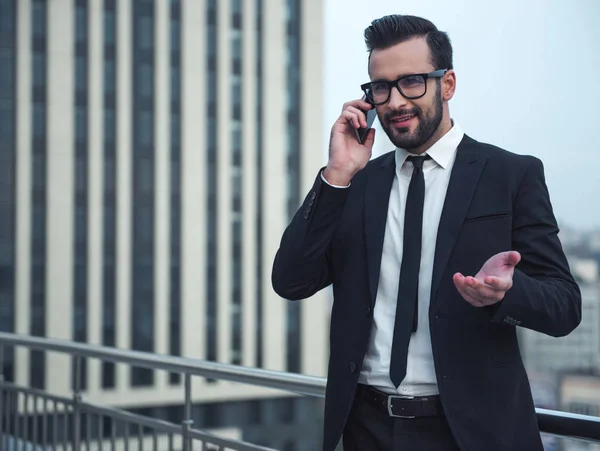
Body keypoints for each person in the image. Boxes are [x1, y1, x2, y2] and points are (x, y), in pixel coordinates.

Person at [272, 13, 581, 451]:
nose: (395, 100)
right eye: (381, 87)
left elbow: (565, 307)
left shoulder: (511, 175)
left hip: (472, 434)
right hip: (366, 429)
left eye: (412, 81)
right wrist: (336, 175)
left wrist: (507, 293)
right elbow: (291, 281)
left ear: (447, 84)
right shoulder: (355, 183)